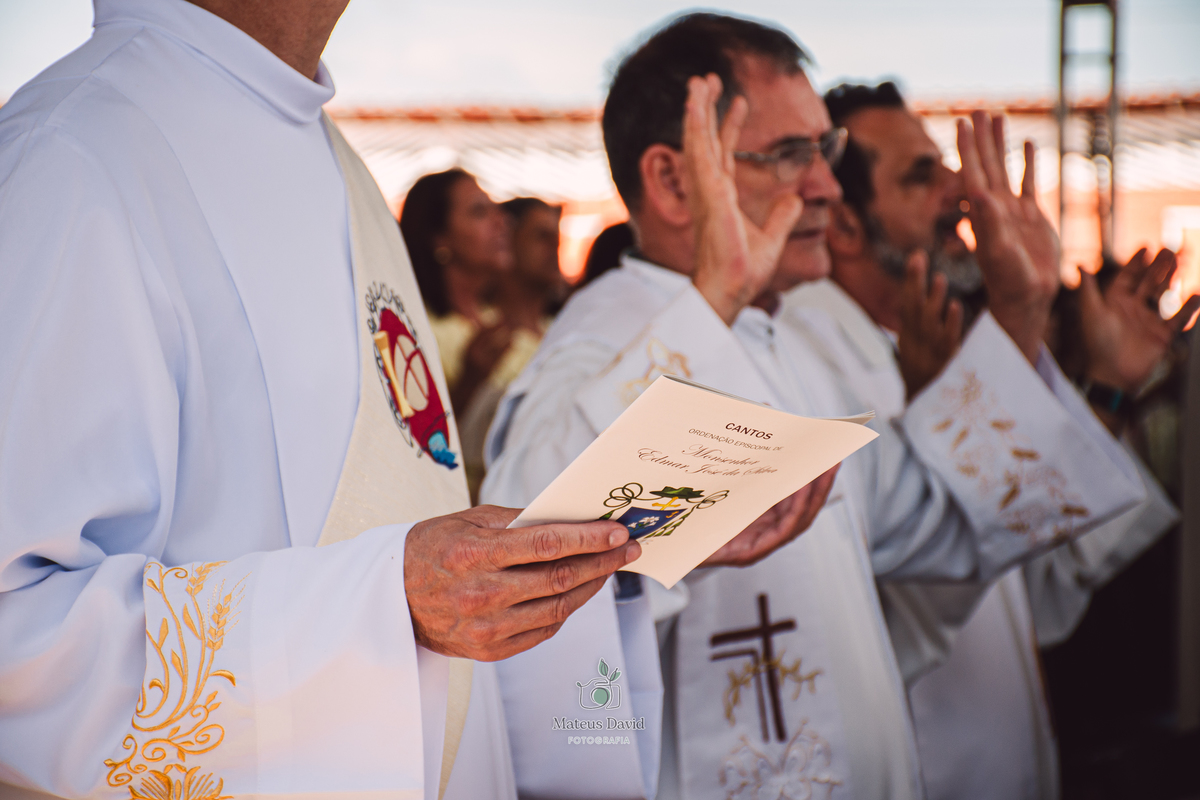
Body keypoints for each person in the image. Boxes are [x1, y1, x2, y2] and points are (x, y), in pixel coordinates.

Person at [481, 12, 1147, 800]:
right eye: (793, 155)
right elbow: (520, 564)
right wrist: (718, 292)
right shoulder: (602, 336)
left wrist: (1021, 310)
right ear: (670, 182)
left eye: (824, 151)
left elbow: (928, 515)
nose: (829, 187)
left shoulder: (781, 337)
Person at [0, 1, 646, 797]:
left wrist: (575, 568)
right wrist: (381, 604)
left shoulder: (334, 159)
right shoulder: (71, 153)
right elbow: (13, 639)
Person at [781, 81, 1188, 800]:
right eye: (921, 176)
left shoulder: (919, 343)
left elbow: (1029, 572)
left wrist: (1107, 391)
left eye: (946, 168)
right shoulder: (803, 355)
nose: (961, 194)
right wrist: (1019, 314)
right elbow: (918, 579)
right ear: (843, 226)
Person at [455, 197, 567, 499]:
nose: (555, 248)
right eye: (541, 237)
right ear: (508, 240)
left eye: (557, 238)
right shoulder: (475, 331)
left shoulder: (564, 333)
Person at [400, 168, 516, 417]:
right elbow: (416, 435)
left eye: (495, 209)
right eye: (479, 212)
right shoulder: (414, 330)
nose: (501, 221)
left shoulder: (497, 321)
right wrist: (469, 382)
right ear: (439, 237)